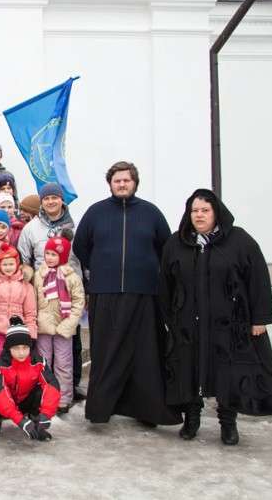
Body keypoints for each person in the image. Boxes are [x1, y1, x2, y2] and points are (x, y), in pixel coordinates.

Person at [159, 188, 272, 445]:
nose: (199, 215)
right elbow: (165, 284)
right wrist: (169, 319)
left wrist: (260, 319)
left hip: (229, 324)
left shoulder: (239, 241)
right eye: (194, 210)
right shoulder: (177, 243)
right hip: (187, 323)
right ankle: (192, 418)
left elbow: (258, 281)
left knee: (227, 372)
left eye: (205, 210)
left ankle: (228, 423)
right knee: (188, 369)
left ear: (216, 212)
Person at [72, 161, 181, 426]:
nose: (121, 184)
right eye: (117, 180)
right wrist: (100, 270)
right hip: (105, 293)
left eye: (126, 180)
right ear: (110, 183)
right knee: (106, 351)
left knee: (145, 354)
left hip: (143, 293)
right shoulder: (96, 212)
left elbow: (165, 247)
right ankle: (101, 410)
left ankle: (148, 410)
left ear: (135, 183)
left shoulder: (150, 213)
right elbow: (81, 246)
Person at [17, 182, 83, 396]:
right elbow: (24, 259)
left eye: (54, 197)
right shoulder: (31, 229)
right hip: (43, 296)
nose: (51, 202)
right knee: (43, 349)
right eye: (46, 199)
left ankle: (68, 389)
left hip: (69, 295)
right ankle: (45, 392)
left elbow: (84, 259)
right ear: (42, 202)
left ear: (61, 199)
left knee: (70, 347)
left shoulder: (75, 226)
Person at [0, 317, 61, 441]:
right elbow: (0, 395)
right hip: (8, 402)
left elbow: (51, 385)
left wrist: (46, 414)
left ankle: (38, 424)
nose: (21, 353)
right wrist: (20, 421)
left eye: (25, 348)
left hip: (26, 400)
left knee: (40, 391)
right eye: (16, 348)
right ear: (8, 348)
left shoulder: (38, 362)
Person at [34, 236, 84, 414]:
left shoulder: (71, 277)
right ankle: (44, 395)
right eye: (47, 253)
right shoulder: (39, 275)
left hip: (64, 326)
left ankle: (63, 398)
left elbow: (79, 302)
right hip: (44, 326)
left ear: (62, 257)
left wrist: (70, 323)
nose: (49, 257)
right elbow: (34, 299)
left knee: (64, 363)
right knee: (43, 363)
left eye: (54, 254)